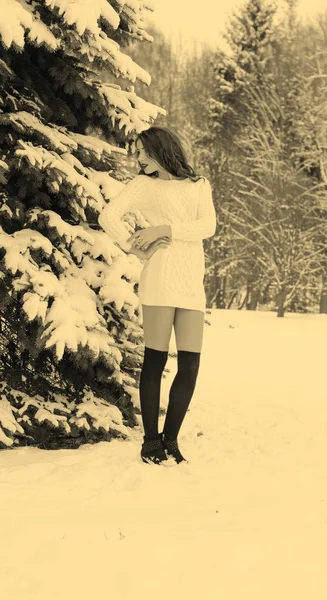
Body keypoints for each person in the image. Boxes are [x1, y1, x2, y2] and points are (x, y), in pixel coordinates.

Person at [98, 126, 216, 465]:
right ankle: (151, 441)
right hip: (160, 277)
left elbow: (207, 226)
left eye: (141, 152)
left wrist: (162, 230)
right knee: (156, 359)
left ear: (159, 149)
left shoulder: (198, 186)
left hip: (192, 282)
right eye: (136, 152)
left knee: (190, 365)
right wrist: (136, 248)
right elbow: (108, 215)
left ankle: (172, 439)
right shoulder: (143, 185)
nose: (138, 158)